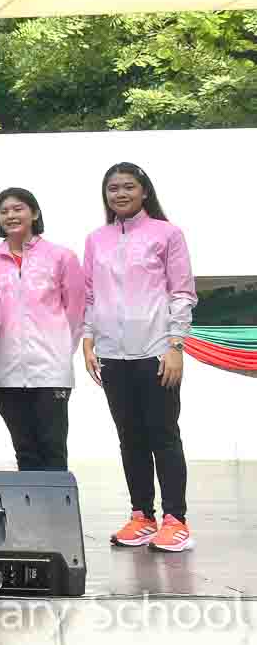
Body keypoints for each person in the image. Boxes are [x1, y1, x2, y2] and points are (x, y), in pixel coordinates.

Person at [83, 163, 198, 552]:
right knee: (129, 438)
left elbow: (182, 292)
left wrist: (175, 345)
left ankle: (176, 520)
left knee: (163, 435)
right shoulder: (96, 240)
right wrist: (88, 340)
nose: (120, 194)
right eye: (113, 188)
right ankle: (142, 516)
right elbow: (90, 295)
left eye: (128, 186)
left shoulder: (167, 234)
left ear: (144, 191)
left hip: (156, 351)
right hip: (112, 355)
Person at [0, 187, 85, 472]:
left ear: (35, 213)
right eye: (4, 211)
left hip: (51, 370)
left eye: (18, 209)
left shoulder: (61, 256)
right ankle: (31, 502)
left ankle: (58, 503)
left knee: (53, 448)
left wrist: (61, 349)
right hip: (6, 372)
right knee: (24, 450)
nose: (11, 215)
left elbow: (76, 311)